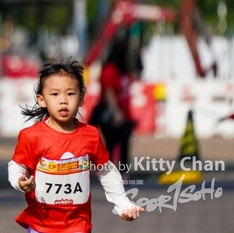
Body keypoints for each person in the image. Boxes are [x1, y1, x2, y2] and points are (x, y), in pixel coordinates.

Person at [8, 56, 144, 233]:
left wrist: (122, 203)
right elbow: (17, 165)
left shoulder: (90, 135)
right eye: (55, 94)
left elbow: (106, 171)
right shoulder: (31, 136)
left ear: (81, 99)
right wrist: (19, 181)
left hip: (77, 225)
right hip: (41, 225)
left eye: (70, 94)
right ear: (42, 100)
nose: (63, 100)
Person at [89, 33, 135, 174]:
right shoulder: (109, 70)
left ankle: (121, 171)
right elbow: (109, 94)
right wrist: (116, 113)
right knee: (111, 143)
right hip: (112, 113)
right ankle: (109, 172)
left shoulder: (124, 71)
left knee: (124, 143)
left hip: (124, 113)